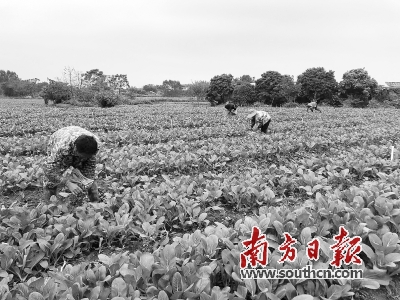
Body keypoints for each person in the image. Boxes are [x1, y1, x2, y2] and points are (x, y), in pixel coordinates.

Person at [43, 126, 101, 202]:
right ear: (75, 150)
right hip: (59, 138)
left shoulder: (96, 145)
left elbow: (90, 166)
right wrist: (67, 183)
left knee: (88, 181)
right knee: (51, 182)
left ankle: (95, 203)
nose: (82, 159)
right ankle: (50, 204)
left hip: (79, 144)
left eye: (86, 157)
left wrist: (87, 181)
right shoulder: (62, 148)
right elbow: (49, 171)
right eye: (82, 157)